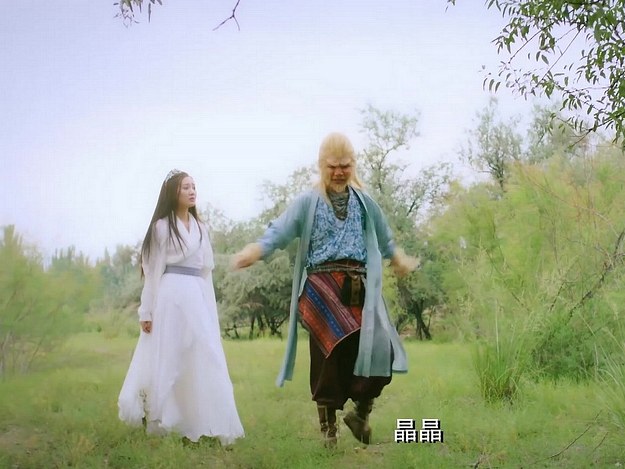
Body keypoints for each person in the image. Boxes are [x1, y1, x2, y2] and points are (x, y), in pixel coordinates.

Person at [232, 132, 419, 447]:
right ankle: (328, 430)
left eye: (345, 166)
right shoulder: (307, 203)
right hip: (322, 288)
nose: (339, 172)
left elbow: (384, 238)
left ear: (353, 165)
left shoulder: (365, 203)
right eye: (333, 166)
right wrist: (256, 250)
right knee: (327, 359)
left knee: (380, 349)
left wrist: (399, 259)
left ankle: (360, 414)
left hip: (359, 287)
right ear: (321, 165)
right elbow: (279, 232)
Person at [118, 169, 244, 446]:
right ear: (173, 193)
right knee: (170, 355)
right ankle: (161, 417)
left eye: (193, 186)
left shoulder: (201, 228)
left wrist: (208, 307)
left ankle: (201, 422)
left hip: (196, 294)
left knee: (203, 354)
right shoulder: (162, 227)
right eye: (185, 187)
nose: (191, 191)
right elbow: (152, 271)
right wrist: (146, 310)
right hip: (170, 294)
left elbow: (206, 270)